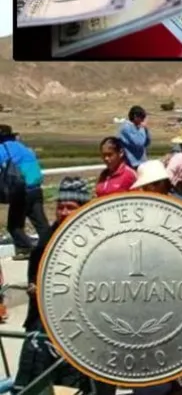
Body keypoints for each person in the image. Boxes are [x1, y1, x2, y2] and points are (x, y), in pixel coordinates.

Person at [18, 178, 117, 395]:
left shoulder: (100, 241)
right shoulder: (48, 238)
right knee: (39, 374)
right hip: (45, 322)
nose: (63, 212)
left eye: (70, 208)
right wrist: (35, 287)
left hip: (88, 324)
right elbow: (35, 272)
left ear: (84, 209)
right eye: (60, 207)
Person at [0, 125, 50, 260]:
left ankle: (26, 248)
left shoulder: (2, 149)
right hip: (36, 188)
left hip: (21, 191)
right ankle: (49, 248)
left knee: (14, 225)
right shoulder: (24, 148)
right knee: (41, 223)